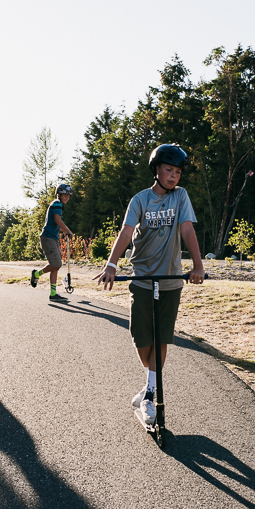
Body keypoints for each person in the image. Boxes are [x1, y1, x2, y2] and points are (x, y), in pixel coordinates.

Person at [93, 144, 205, 425]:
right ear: (156, 170)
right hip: (142, 278)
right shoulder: (140, 200)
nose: (173, 176)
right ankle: (150, 383)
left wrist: (198, 265)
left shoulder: (181, 197)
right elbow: (126, 232)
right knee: (141, 338)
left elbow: (187, 229)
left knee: (162, 337)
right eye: (169, 170)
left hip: (170, 279)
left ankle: (150, 394)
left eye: (178, 172)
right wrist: (111, 264)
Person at [30, 184, 74, 302]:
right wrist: (68, 230)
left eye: (68, 196)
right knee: (57, 263)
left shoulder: (56, 204)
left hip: (52, 238)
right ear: (59, 194)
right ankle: (37, 274)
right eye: (65, 195)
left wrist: (64, 231)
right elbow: (57, 220)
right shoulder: (57, 204)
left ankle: (53, 294)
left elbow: (55, 223)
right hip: (48, 238)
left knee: (55, 266)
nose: (67, 198)